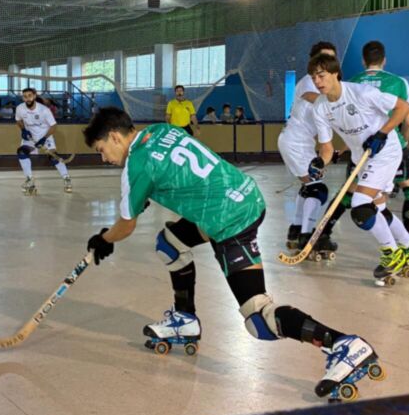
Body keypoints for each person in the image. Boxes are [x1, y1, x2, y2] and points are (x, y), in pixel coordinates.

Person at [82, 107, 379, 399]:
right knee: (170, 243)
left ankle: (343, 344)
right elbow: (178, 170)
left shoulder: (137, 164)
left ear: (115, 137)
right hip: (245, 195)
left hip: (229, 220)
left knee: (259, 319)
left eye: (101, 149)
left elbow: (126, 225)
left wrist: (103, 240)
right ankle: (185, 320)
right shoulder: (161, 130)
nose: (104, 157)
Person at [309, 53, 409, 284]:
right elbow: (326, 148)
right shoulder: (320, 107)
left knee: (360, 206)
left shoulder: (361, 92)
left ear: (335, 74)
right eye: (313, 77)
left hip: (386, 152)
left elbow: (403, 108)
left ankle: (391, 254)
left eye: (322, 75)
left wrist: (382, 133)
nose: (317, 81)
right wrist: (319, 163)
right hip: (361, 157)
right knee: (379, 207)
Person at [347, 41, 409, 247]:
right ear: (384, 60)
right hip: (389, 142)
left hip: (361, 146)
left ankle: (321, 233)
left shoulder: (351, 84)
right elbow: (408, 120)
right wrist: (403, 143)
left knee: (356, 193)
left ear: (363, 60)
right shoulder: (399, 82)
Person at [277, 41, 338, 255]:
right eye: (322, 58)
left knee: (309, 186)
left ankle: (295, 232)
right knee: (317, 189)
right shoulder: (309, 82)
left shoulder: (325, 84)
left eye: (331, 59)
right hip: (296, 141)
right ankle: (307, 236)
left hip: (299, 141)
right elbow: (321, 101)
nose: (326, 64)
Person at [14, 87, 72, 194]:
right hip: (30, 137)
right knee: (21, 152)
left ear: (35, 96)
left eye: (30, 96)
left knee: (53, 157)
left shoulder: (44, 110)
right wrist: (23, 129)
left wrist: (44, 138)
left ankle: (66, 178)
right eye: (25, 96)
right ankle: (29, 180)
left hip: (45, 136)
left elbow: (54, 126)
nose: (28, 99)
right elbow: (18, 120)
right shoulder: (20, 108)